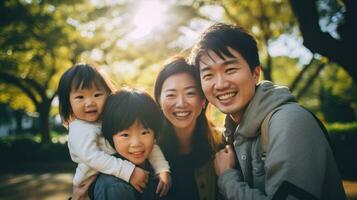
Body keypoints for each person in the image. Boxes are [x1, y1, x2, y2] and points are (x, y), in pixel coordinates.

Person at [189, 23, 347, 200]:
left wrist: (227, 179)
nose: (220, 84)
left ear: (255, 72)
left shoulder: (289, 122)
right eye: (208, 75)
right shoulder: (232, 132)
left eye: (230, 69)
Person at [57, 63, 171, 199]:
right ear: (68, 102)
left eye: (97, 94)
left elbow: (151, 144)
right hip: (94, 185)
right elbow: (92, 157)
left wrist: (162, 168)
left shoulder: (109, 120)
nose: (90, 103)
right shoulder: (79, 128)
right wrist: (130, 172)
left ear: (108, 94)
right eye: (80, 97)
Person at [154, 57, 223, 200]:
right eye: (171, 95)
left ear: (203, 100)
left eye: (190, 93)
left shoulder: (222, 145)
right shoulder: (146, 149)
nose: (181, 103)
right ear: (159, 100)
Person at [89, 88, 164, 199]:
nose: (136, 143)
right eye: (125, 135)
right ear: (110, 137)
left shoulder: (153, 168)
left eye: (144, 132)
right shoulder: (114, 187)